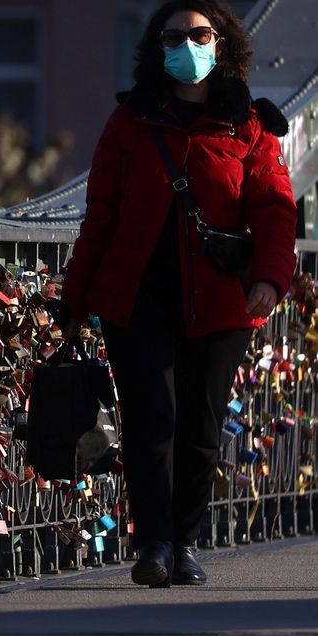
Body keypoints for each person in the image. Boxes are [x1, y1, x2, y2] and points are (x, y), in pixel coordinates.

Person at [60, 0, 297, 587]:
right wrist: (74, 302)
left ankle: (187, 541)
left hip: (220, 300)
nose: (186, 47)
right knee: (150, 420)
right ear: (156, 48)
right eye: (174, 37)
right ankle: (156, 545)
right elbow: (101, 215)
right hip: (137, 295)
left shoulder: (251, 125)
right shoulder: (130, 122)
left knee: (201, 425)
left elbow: (273, 207)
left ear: (221, 44)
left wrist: (269, 278)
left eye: (198, 35)